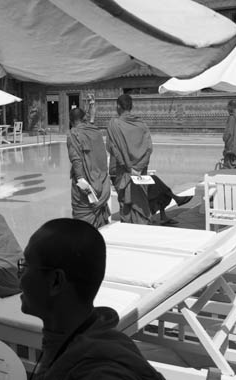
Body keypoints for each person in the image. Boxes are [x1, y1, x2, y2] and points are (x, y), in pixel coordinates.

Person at [18, 218, 165, 380]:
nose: (19, 276)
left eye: (26, 265)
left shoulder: (99, 371)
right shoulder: (71, 338)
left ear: (56, 281)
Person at [106, 94, 152, 224]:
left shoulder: (114, 124)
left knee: (126, 205)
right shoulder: (142, 125)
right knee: (140, 203)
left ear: (118, 107)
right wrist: (138, 168)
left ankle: (128, 233)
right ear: (131, 107)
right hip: (140, 172)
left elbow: (112, 148)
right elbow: (148, 148)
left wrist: (128, 168)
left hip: (124, 172)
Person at [66, 108, 110, 228]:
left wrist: (81, 179)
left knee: (83, 222)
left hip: (85, 186)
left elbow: (76, 160)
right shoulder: (95, 132)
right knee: (100, 221)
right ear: (84, 118)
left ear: (70, 120)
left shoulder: (72, 134)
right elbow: (102, 155)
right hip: (100, 180)